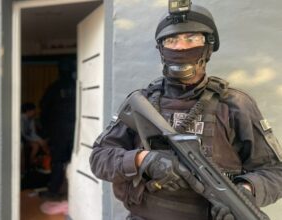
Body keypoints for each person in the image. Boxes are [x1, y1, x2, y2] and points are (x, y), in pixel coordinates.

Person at [89, 3, 282, 220]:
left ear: (208, 46)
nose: (180, 47)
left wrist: (246, 191)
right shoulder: (142, 102)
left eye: (191, 39)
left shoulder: (235, 104)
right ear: (161, 49)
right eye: (171, 40)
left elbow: (275, 172)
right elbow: (99, 158)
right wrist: (143, 159)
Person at [39, 58, 76, 200]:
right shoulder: (77, 86)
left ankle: (54, 190)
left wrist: (46, 131)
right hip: (76, 131)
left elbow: (44, 109)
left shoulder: (54, 88)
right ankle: (71, 191)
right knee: (74, 160)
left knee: (58, 162)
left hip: (59, 132)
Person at [21, 102, 49, 170]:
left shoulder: (31, 119)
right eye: (34, 110)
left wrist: (40, 140)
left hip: (27, 138)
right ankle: (31, 162)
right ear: (28, 111)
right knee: (36, 144)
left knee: (41, 142)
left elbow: (33, 133)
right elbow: (23, 134)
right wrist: (37, 140)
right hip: (21, 139)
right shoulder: (20, 119)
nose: (35, 112)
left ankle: (47, 158)